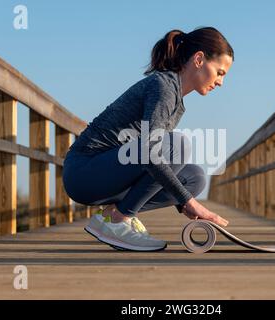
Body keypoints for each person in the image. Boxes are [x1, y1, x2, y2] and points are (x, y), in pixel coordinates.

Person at [62, 26, 233, 251]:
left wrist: (185, 200)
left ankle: (113, 214)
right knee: (178, 145)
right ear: (199, 59)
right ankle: (119, 221)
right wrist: (189, 203)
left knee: (194, 178)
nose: (221, 82)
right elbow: (151, 152)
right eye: (220, 72)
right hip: (83, 174)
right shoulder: (163, 87)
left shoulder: (176, 101)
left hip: (109, 174)